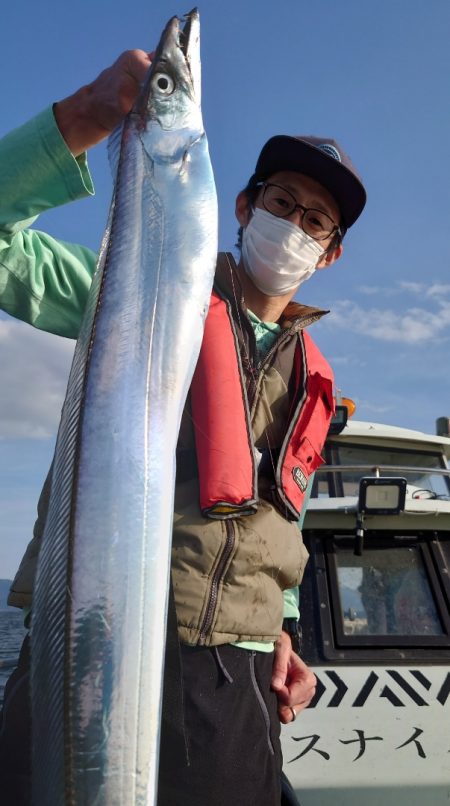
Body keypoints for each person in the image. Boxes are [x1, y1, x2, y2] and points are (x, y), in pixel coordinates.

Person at [0, 49, 366, 806]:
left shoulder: (315, 383)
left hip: (234, 677)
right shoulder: (137, 284)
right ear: (240, 205)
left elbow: (278, 521)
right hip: (94, 638)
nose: (292, 225)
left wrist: (282, 626)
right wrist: (82, 119)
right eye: (281, 201)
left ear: (329, 254)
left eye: (314, 220)